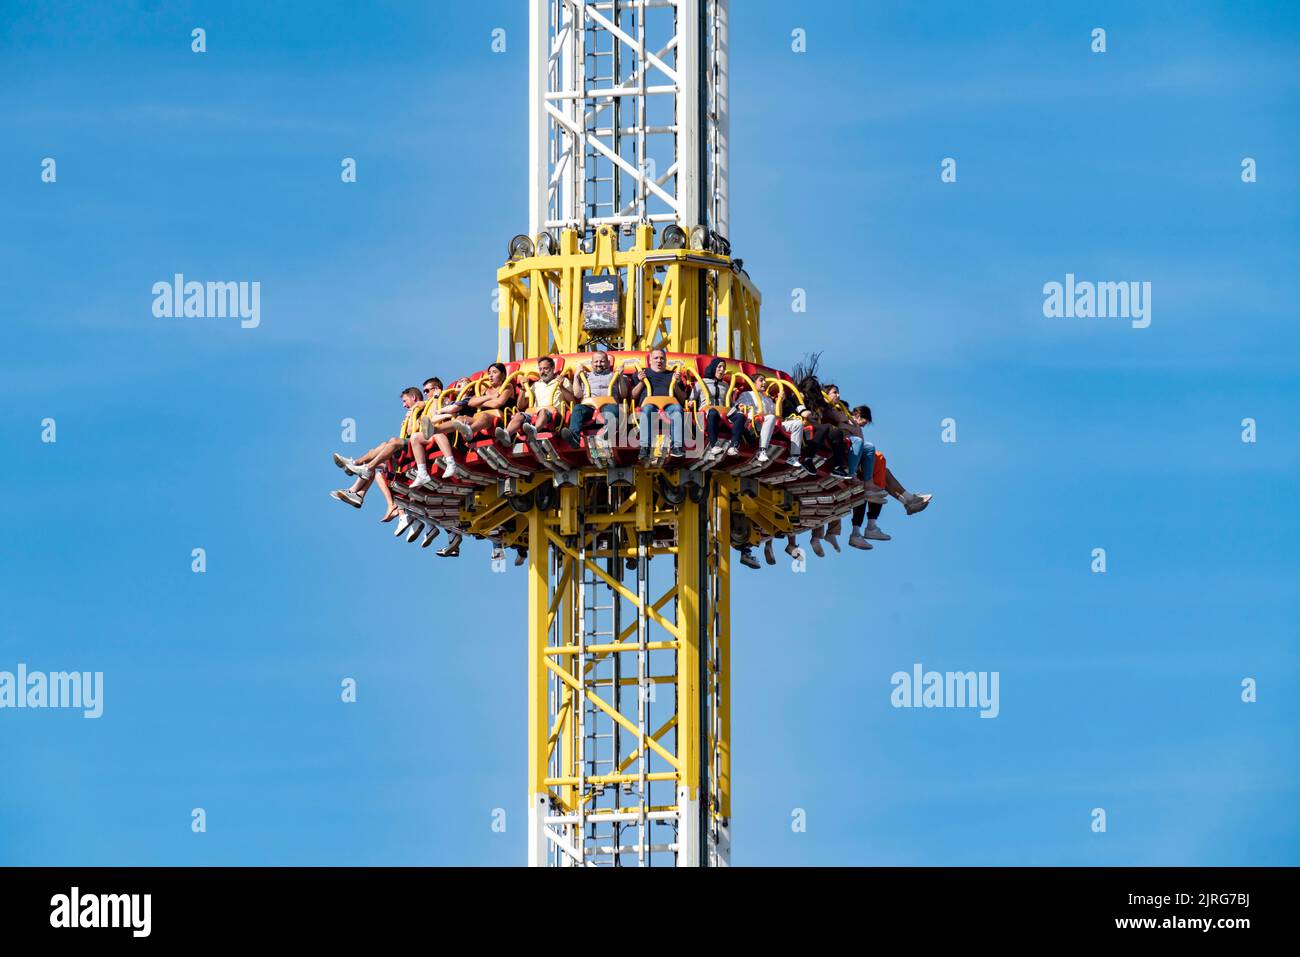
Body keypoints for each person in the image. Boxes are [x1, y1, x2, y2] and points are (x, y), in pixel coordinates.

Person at [411, 363, 517, 486]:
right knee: (461, 418)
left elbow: (498, 403)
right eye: (489, 373)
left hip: (500, 418)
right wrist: (489, 397)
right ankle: (434, 430)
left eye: (494, 372)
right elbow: (472, 402)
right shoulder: (486, 390)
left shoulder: (507, 386)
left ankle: (470, 431)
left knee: (484, 415)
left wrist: (485, 401)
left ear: (503, 375)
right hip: (480, 419)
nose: (491, 375)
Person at [331, 385, 427, 521]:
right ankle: (356, 493)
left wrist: (411, 416)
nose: (404, 405)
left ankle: (356, 465)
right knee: (380, 454)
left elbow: (413, 432)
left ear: (413, 397)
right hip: (407, 453)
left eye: (405, 401)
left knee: (390, 443)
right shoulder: (414, 411)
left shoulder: (422, 407)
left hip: (417, 448)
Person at [496, 355, 567, 446]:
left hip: (554, 415)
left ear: (553, 368)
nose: (542, 371)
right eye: (540, 369)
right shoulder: (535, 385)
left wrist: (561, 387)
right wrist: (523, 389)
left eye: (545, 368)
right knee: (519, 415)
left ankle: (534, 431)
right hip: (535, 414)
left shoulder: (562, 381)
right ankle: (507, 435)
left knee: (543, 411)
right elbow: (520, 405)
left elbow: (572, 399)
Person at [630, 348, 688, 459]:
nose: (659, 360)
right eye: (656, 358)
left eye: (662, 358)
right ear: (650, 360)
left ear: (665, 360)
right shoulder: (642, 373)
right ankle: (645, 447)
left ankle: (676, 446)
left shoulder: (672, 375)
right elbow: (633, 396)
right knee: (647, 409)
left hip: (668, 407)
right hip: (649, 405)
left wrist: (675, 384)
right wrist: (641, 382)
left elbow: (682, 398)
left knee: (677, 409)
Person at [561, 350, 626, 446]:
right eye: (596, 361)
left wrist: (620, 377)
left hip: (608, 407)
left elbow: (624, 394)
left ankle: (609, 429)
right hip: (590, 409)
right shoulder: (586, 376)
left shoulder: (614, 375)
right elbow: (578, 395)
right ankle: (574, 438)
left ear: (608, 363)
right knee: (578, 408)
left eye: (602, 361)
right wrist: (576, 377)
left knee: (611, 408)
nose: (599, 364)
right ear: (592, 363)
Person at [691, 357, 747, 456]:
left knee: (740, 416)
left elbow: (729, 403)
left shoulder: (725, 385)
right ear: (713, 368)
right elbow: (691, 399)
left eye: (723, 368)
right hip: (706, 411)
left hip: (724, 412)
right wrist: (691, 403)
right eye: (719, 367)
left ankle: (734, 445)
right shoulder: (701, 382)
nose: (722, 370)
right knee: (713, 412)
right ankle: (714, 445)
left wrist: (738, 406)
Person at [734, 373, 778, 464]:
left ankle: (796, 455)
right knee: (770, 417)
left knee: (796, 423)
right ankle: (762, 450)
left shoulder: (767, 399)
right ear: (753, 383)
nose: (764, 383)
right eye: (761, 380)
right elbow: (738, 407)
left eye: (764, 381)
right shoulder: (746, 394)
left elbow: (777, 415)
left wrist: (780, 401)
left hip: (767, 422)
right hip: (753, 423)